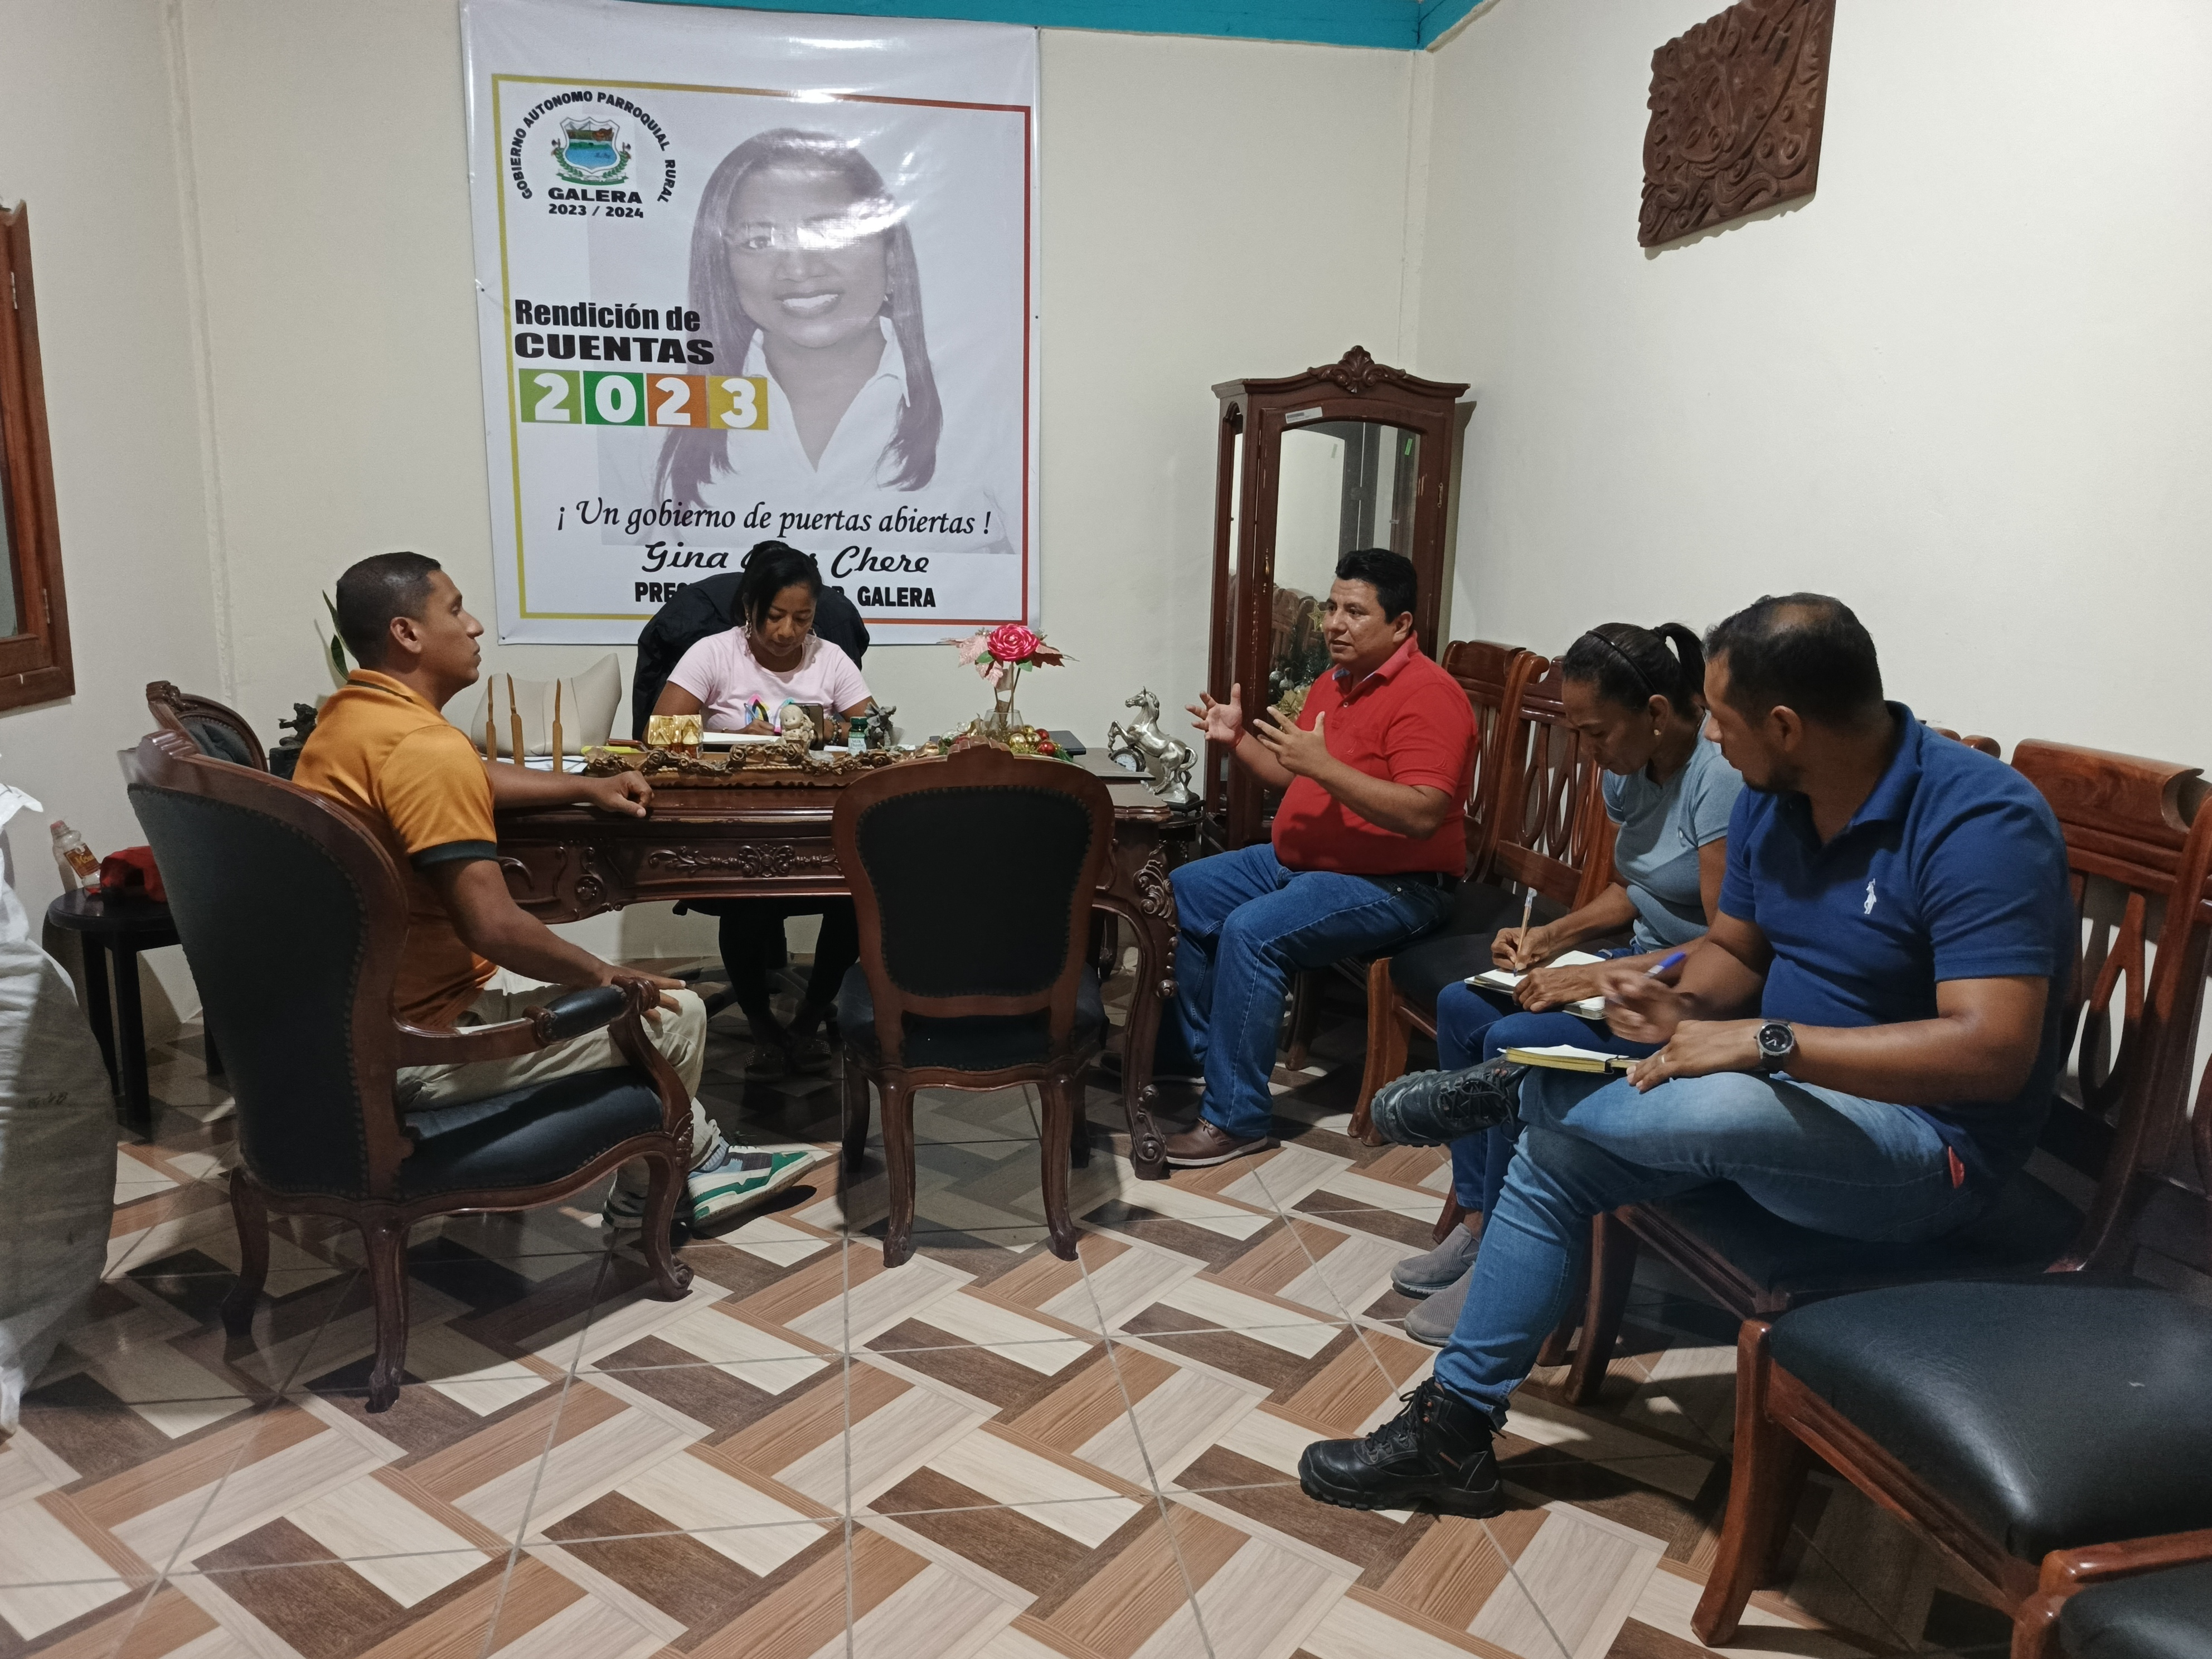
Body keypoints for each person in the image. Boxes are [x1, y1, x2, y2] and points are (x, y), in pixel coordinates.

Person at [1302, 594, 2074, 1516]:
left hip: (1925, 1154)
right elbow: (1734, 951)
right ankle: (1450, 1435)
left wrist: (1765, 1042)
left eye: (1723, 718)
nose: (1709, 735)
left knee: (1718, 1094)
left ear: (1785, 726)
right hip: (1776, 1112)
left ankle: (1522, 1086)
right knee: (1555, 1157)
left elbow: (1991, 1052)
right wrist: (1676, 1002)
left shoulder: (1979, 819)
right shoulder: (1771, 801)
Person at [295, 552, 828, 1233]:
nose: (474, 625)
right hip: (420, 1050)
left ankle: (701, 1158)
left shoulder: (350, 724)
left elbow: (470, 773)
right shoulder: (424, 749)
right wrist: (608, 975)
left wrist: (585, 787)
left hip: (354, 1027)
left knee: (636, 1002)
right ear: (407, 633)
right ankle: (654, 1192)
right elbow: (494, 927)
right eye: (455, 610)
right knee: (675, 1011)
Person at [1390, 622, 1744, 1343]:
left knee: (1510, 1039)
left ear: (1654, 713)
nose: (1587, 753)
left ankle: (1511, 1258)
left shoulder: (1718, 781)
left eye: (1595, 733)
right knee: (1462, 1006)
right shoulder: (1627, 770)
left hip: (1677, 997)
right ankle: (1481, 1219)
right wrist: (1551, 939)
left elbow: (1725, 944)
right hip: (1630, 964)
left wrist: (1595, 974)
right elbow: (1633, 888)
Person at [1161, 547, 1478, 1167]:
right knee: (1184, 888)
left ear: (1401, 625)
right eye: (1331, 607)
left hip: (1396, 883)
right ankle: (1189, 1054)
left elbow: (1422, 813)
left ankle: (1235, 1120)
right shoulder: (1336, 681)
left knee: (1253, 932)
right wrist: (1236, 739)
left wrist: (1323, 767)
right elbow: (1295, 774)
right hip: (1304, 863)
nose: (1333, 623)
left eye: (1354, 612)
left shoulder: (1429, 695)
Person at [653, 541, 872, 1074]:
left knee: (854, 900)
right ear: (749, 607)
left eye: (803, 618)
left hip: (818, 824)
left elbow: (871, 734)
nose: (788, 631)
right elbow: (660, 735)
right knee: (747, 904)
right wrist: (730, 739)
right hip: (738, 824)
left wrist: (833, 728)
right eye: (775, 616)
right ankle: (760, 1023)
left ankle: (811, 1015)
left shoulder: (829, 658)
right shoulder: (714, 654)